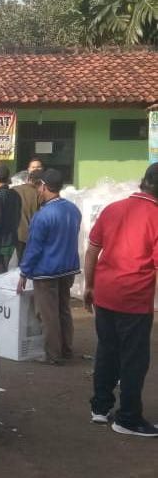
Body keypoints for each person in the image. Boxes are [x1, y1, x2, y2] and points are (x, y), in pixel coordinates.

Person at [85, 163, 158, 437]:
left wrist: (89, 286)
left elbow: (93, 249)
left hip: (105, 294)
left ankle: (100, 408)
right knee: (133, 360)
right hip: (134, 301)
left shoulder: (113, 208)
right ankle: (128, 418)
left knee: (107, 350)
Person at [17, 169, 81, 364]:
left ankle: (53, 355)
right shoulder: (73, 209)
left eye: (39, 187)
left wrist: (24, 273)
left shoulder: (42, 216)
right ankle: (67, 349)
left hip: (46, 272)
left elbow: (34, 248)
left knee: (49, 314)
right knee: (64, 310)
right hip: (68, 268)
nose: (38, 191)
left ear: (43, 186)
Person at [12, 170, 43, 261]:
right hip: (32, 234)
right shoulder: (39, 194)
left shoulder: (14, 189)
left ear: (29, 178)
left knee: (19, 262)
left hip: (16, 233)